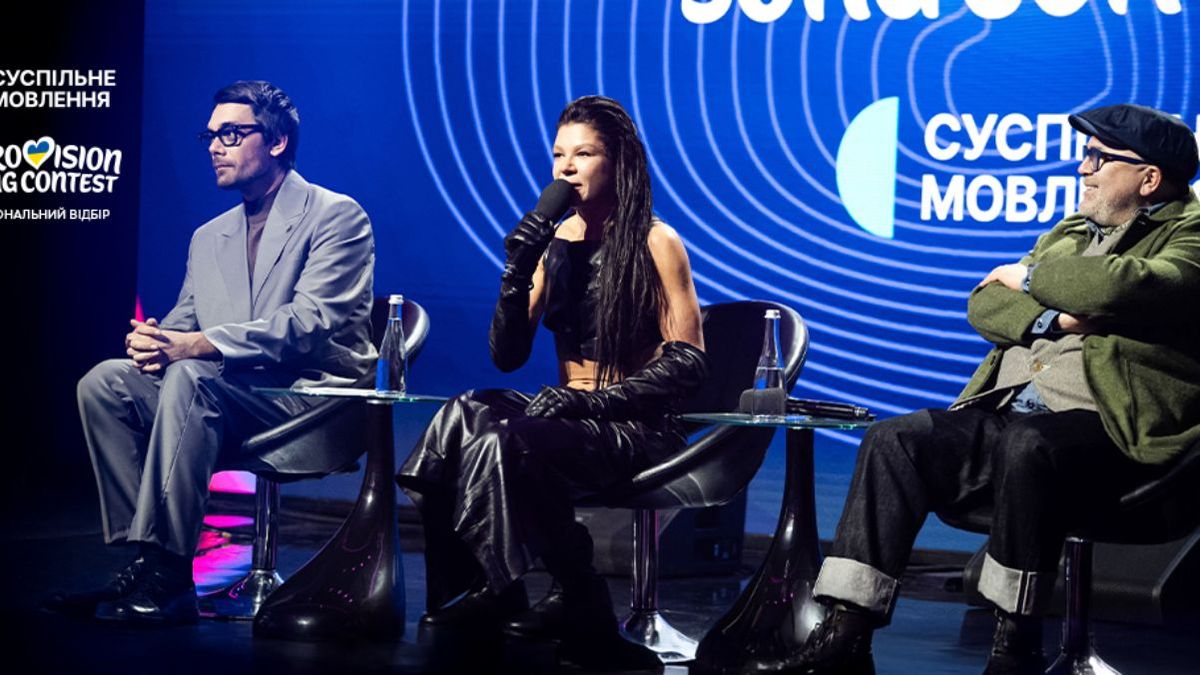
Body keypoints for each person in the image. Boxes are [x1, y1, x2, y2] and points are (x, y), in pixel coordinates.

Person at [791, 103, 1200, 675]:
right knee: (895, 439)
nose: (1083, 168)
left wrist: (1028, 279)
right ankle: (845, 634)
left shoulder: (1189, 234)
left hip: (1113, 426)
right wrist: (1056, 318)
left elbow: (1124, 288)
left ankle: (1015, 644)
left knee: (1027, 446)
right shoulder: (1071, 232)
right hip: (1012, 410)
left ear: (1149, 178)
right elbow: (985, 303)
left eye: (1098, 157)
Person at [46, 80, 376, 625]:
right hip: (229, 394)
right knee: (105, 382)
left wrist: (196, 345)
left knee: (193, 376)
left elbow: (309, 323)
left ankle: (171, 576)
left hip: (308, 400)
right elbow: (185, 324)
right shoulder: (208, 236)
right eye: (210, 136)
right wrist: (153, 343)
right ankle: (148, 561)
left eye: (231, 134)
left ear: (277, 142)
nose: (215, 147)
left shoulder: (336, 216)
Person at [397, 95, 706, 671]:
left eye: (583, 154)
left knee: (509, 439)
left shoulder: (656, 240)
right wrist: (518, 268)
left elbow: (688, 362)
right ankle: (477, 584)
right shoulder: (558, 241)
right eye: (559, 154)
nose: (566, 167)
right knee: (462, 414)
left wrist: (594, 401)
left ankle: (549, 592)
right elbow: (508, 356)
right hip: (568, 415)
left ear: (619, 163)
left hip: (633, 423)